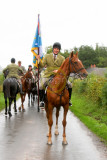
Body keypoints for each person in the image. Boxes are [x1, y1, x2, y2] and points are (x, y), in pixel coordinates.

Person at [36, 42, 72, 107]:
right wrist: (38, 60)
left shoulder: (62, 58)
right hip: (48, 74)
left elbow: (64, 67)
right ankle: (42, 100)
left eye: (58, 49)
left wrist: (58, 71)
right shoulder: (47, 56)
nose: (56, 50)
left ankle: (69, 100)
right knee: (41, 86)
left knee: (70, 84)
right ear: (53, 49)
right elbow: (42, 65)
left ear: (59, 50)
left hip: (59, 75)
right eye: (55, 48)